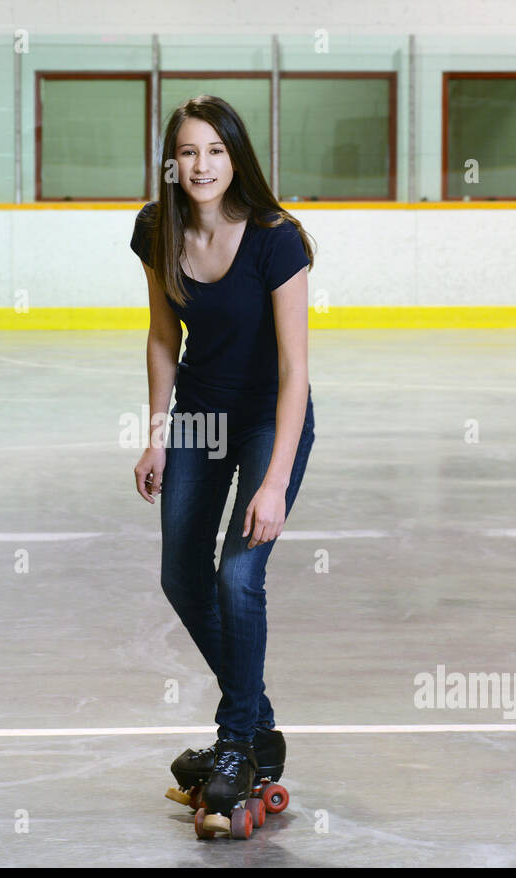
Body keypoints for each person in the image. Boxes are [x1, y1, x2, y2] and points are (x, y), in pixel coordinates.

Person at [130, 95, 316, 836]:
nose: (200, 164)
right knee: (182, 574)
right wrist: (155, 435)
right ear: (171, 163)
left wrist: (272, 481)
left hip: (272, 415)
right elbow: (159, 335)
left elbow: (297, 370)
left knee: (240, 574)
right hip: (200, 417)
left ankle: (238, 741)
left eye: (214, 149)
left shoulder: (278, 239)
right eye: (187, 152)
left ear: (234, 156)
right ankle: (259, 724)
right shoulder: (157, 230)